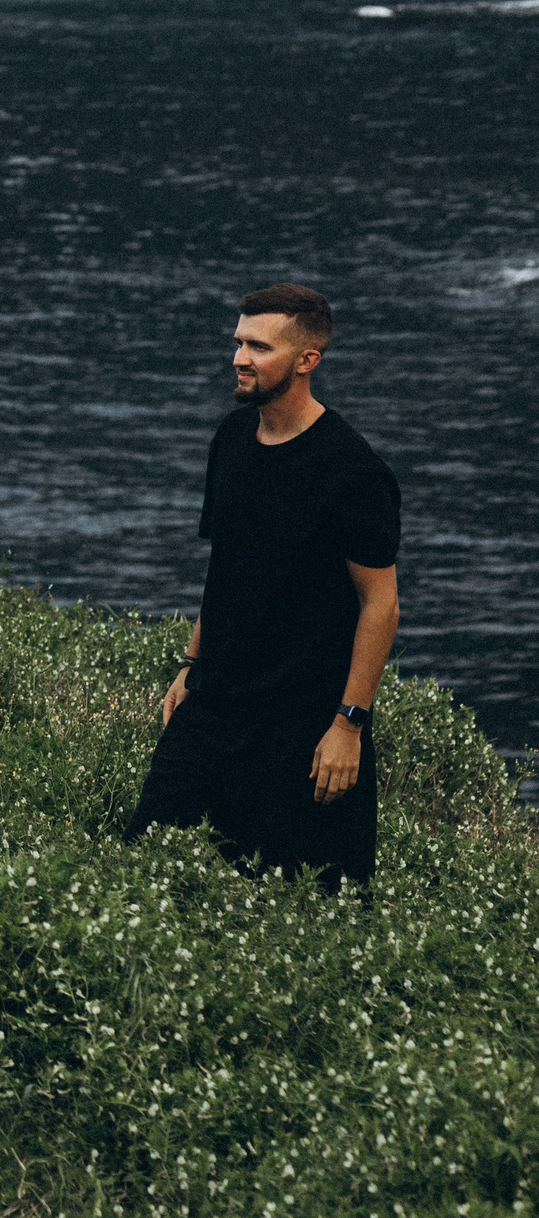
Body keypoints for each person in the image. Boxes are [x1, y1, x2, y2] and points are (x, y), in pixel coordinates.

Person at [125, 285, 400, 891]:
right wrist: (190, 665)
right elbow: (224, 569)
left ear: (307, 360)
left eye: (259, 346)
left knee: (315, 903)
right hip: (216, 701)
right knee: (139, 869)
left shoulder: (353, 472)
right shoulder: (230, 440)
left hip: (302, 723)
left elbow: (380, 604)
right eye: (238, 342)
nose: (239, 358)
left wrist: (348, 725)